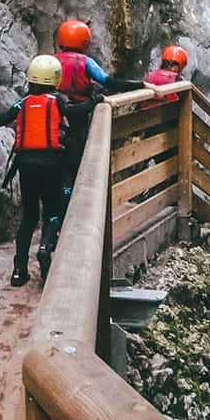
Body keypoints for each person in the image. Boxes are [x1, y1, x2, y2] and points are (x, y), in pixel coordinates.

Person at [0, 55, 94, 285]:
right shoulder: (58, 101)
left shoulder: (23, 102)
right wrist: (94, 101)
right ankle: (46, 247)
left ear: (31, 79)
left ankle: (19, 270)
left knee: (28, 217)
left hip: (26, 165)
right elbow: (75, 111)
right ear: (55, 79)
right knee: (52, 212)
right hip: (53, 164)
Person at [46, 18, 145, 248]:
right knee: (75, 164)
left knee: (60, 169)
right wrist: (140, 84)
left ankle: (54, 222)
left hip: (55, 118)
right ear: (84, 42)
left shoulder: (51, 62)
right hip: (78, 117)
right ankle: (71, 213)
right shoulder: (86, 62)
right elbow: (108, 81)